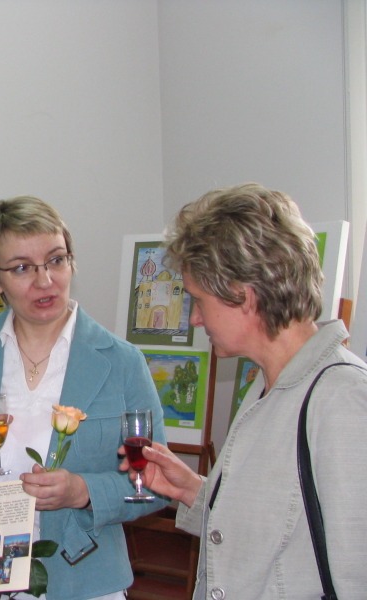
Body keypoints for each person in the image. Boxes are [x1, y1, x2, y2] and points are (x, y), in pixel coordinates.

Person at [121, 183, 367, 599]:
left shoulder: (344, 401)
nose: (195, 319)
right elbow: (278, 536)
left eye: (199, 300)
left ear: (243, 296)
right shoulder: (265, 387)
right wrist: (192, 490)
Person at [0, 196, 167, 600]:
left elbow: (156, 481)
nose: (45, 280)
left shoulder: (121, 361)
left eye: (55, 260)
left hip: (81, 574)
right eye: (21, 268)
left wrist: (83, 491)